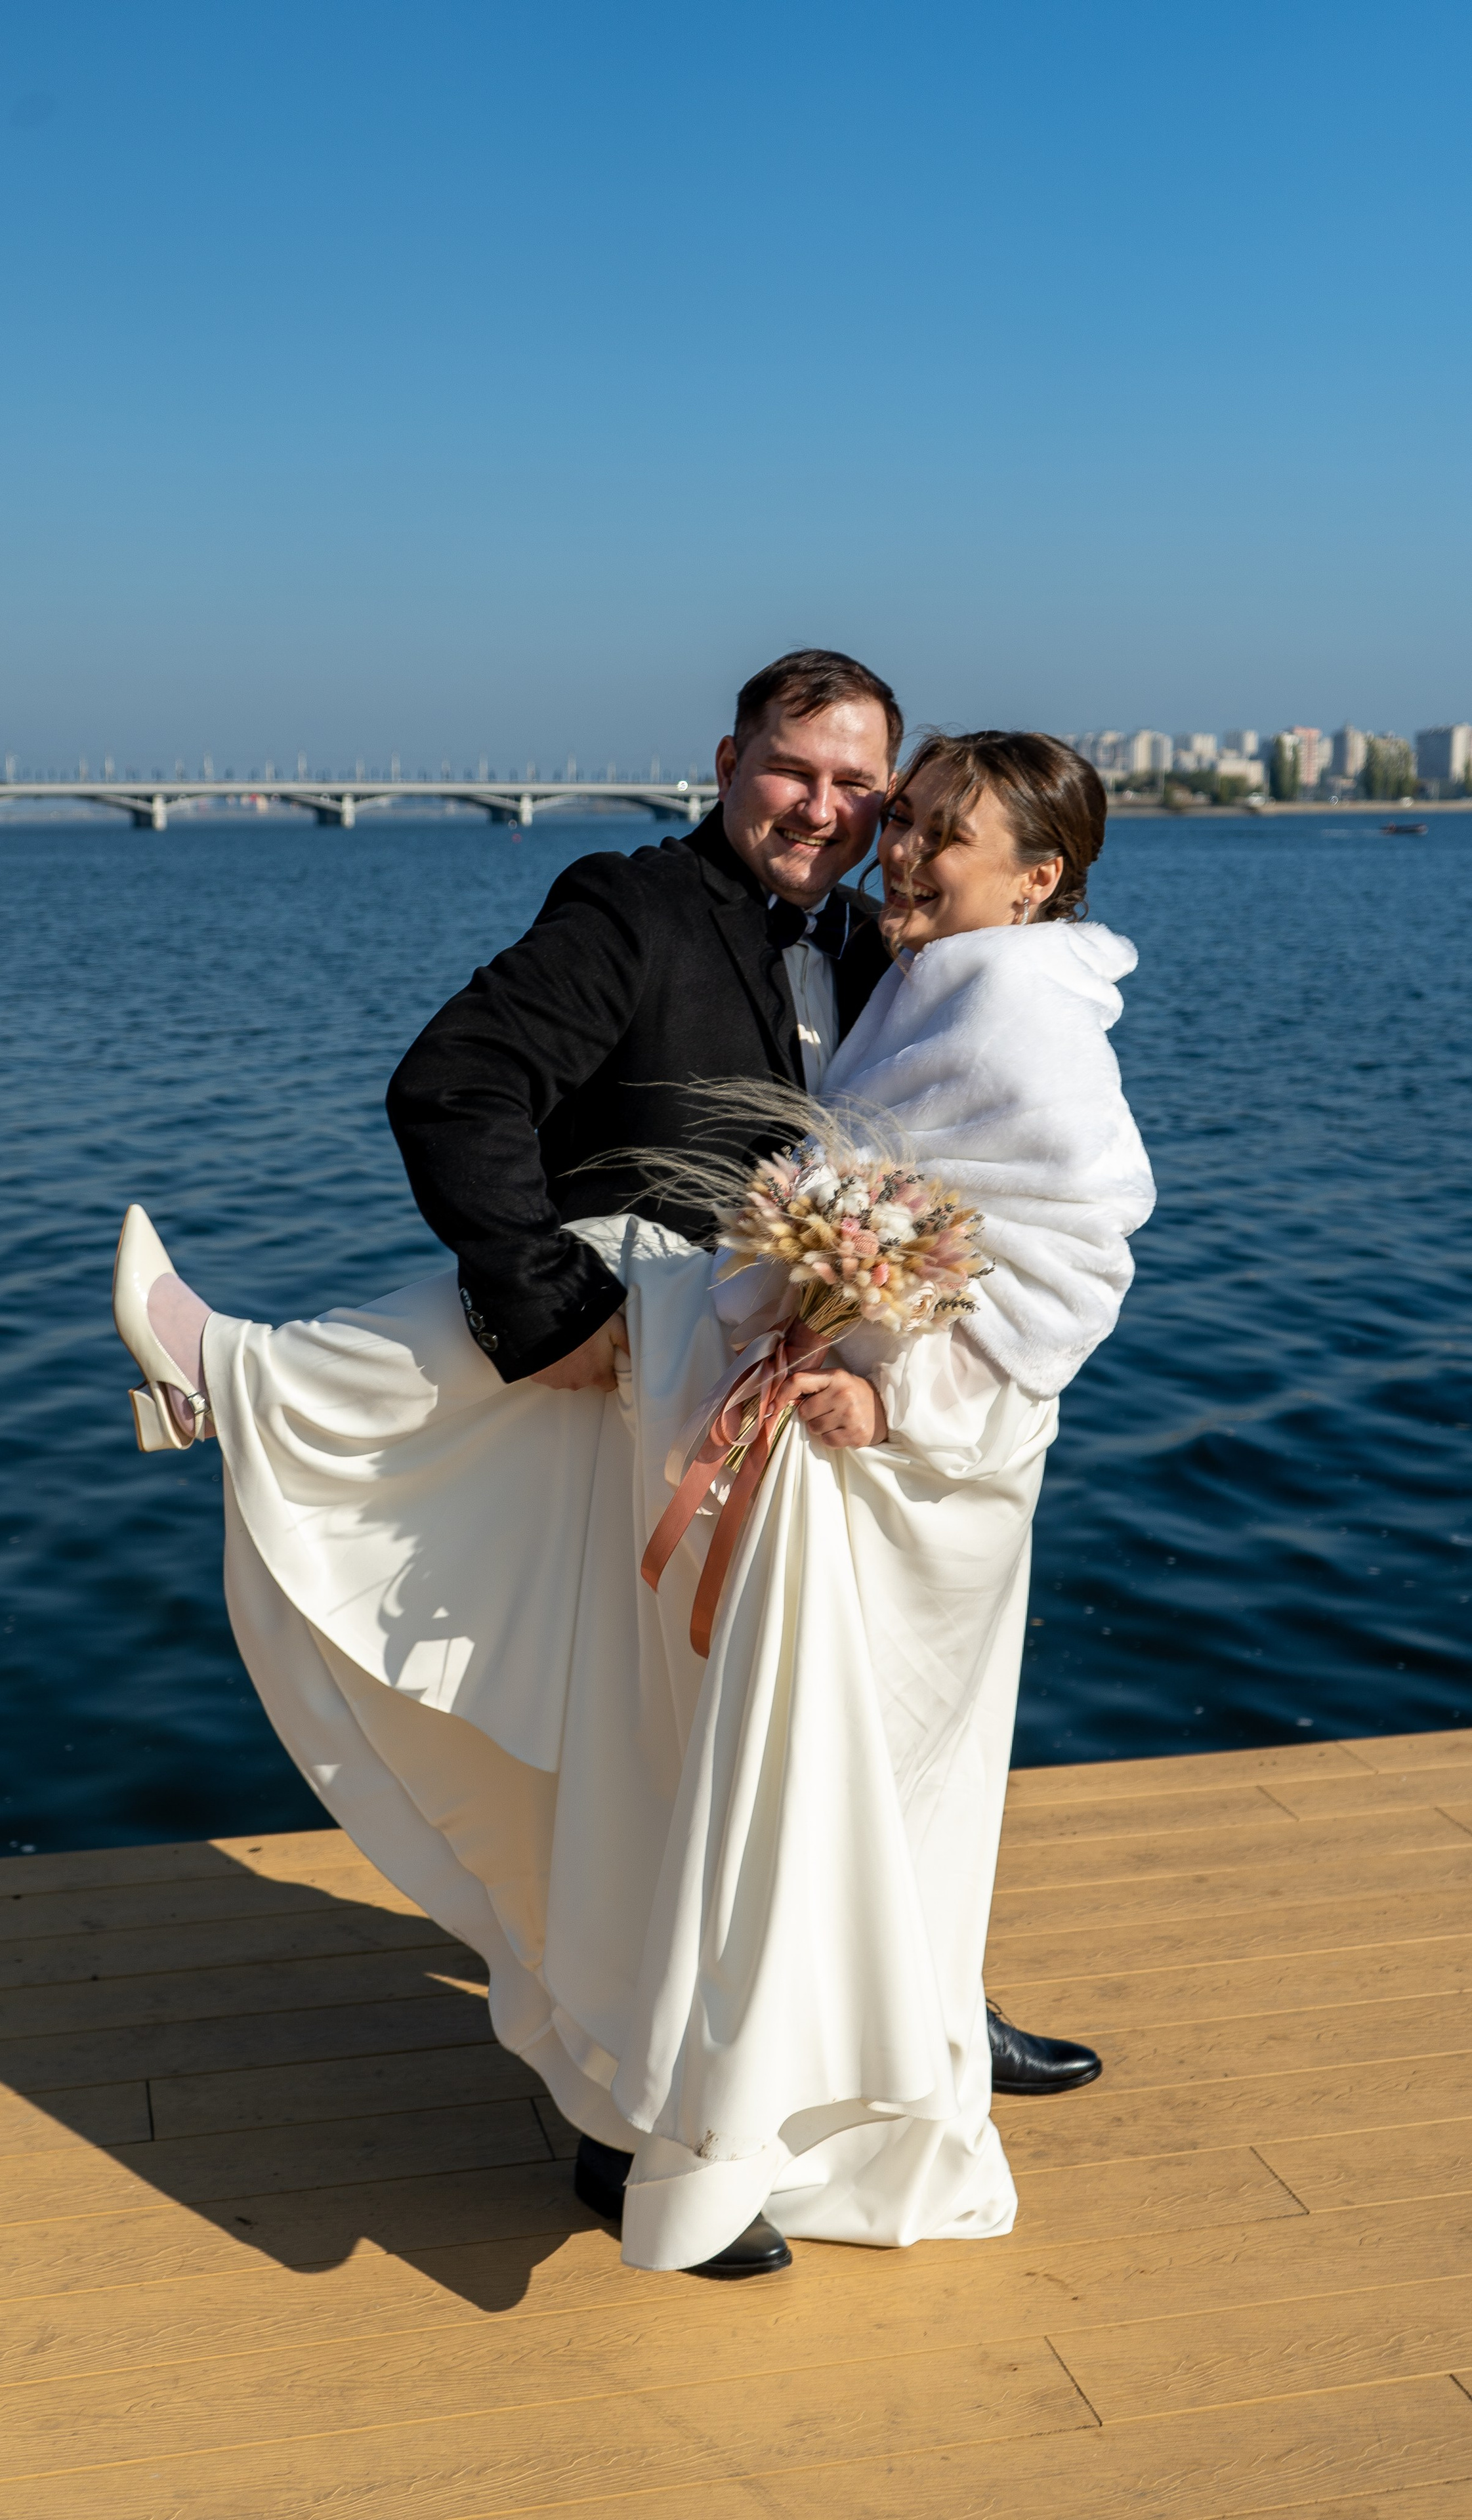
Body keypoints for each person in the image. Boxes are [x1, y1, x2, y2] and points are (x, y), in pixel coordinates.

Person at [113, 709, 1154, 2278]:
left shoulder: (927, 968)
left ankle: (919, 2022)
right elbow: (455, 1089)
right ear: (728, 762)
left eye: (880, 796)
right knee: (683, 1770)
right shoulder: (637, 906)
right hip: (697, 1414)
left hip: (875, 1447)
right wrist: (555, 1311)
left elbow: (1040, 1225)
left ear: (1030, 874)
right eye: (809, 776)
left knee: (879, 1763)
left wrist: (892, 1374)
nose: (857, 822)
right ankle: (647, 2122)